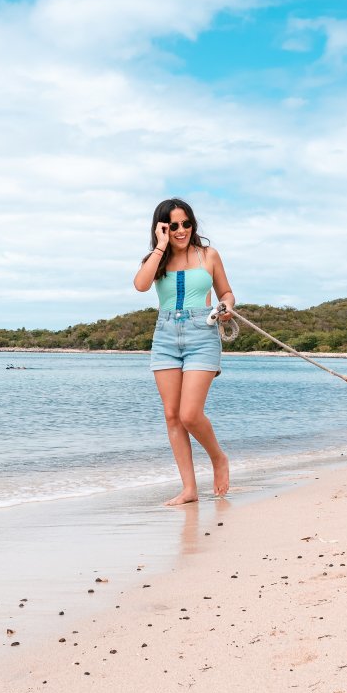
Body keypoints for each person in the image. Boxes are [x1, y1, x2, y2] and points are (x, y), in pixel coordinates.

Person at [133, 198, 235, 506]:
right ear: (162, 228)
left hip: (202, 333)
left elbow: (226, 292)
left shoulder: (209, 255)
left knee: (189, 414)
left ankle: (218, 459)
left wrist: (227, 306)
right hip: (165, 336)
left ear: (193, 224)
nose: (181, 231)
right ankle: (189, 489)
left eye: (186, 224)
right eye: (173, 226)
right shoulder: (156, 259)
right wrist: (161, 246)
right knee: (171, 415)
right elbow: (140, 285)